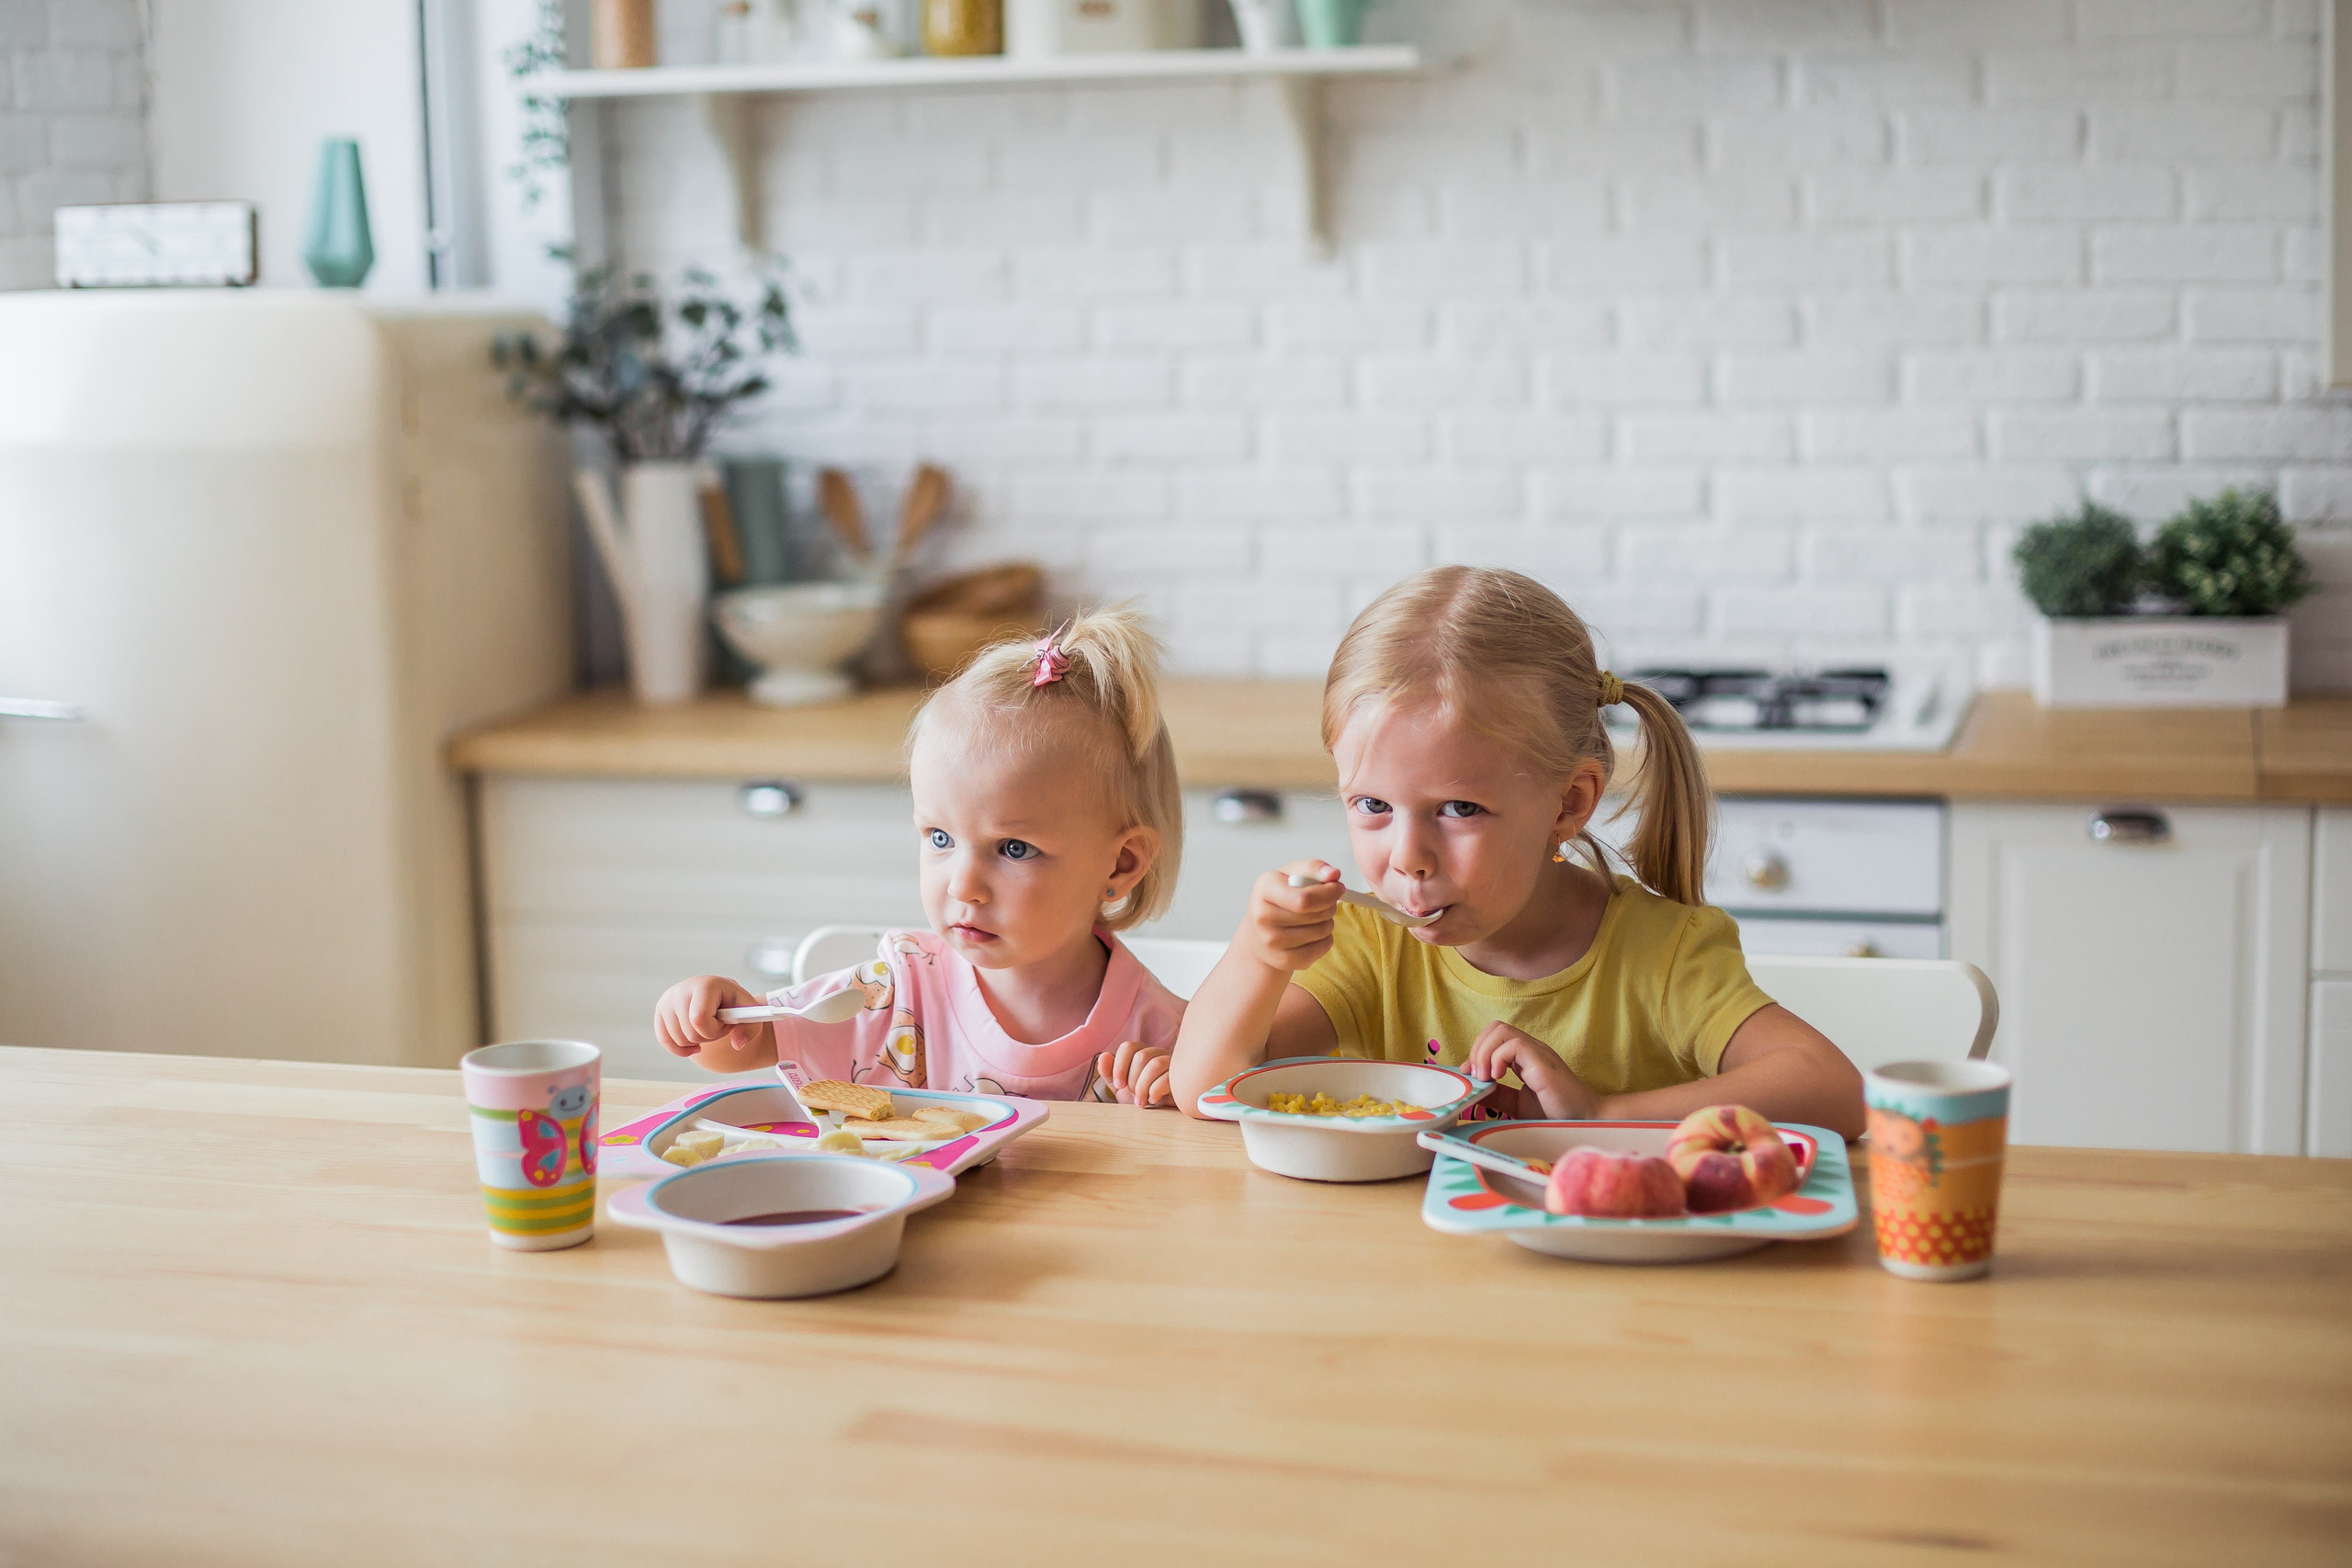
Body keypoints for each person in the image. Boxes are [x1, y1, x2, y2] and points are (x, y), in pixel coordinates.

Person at [1170, 566, 1865, 1136]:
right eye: (1372, 806)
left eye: (1459, 809)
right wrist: (1257, 955)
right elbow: (1209, 1089)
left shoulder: (1661, 955)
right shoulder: (1367, 947)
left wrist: (1600, 1115)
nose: (1408, 857)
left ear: (1568, 804)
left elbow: (1835, 1089)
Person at [655, 606, 1187, 1106]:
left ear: (1119, 865)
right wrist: (709, 1013)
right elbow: (746, 1045)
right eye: (939, 838)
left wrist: (1174, 1096)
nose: (963, 886)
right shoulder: (901, 989)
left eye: (1014, 849)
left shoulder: (1167, 1035)